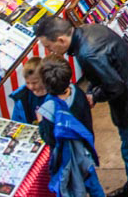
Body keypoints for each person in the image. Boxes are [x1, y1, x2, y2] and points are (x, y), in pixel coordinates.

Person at [35, 17, 128, 197]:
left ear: (61, 39)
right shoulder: (88, 31)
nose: (50, 51)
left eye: (49, 46)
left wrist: (94, 96)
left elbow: (115, 86)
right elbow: (102, 73)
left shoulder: (88, 53)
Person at [36, 57, 103, 197]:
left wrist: (40, 121)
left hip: (66, 159)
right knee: (93, 184)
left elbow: (49, 139)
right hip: (85, 151)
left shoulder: (48, 109)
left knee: (71, 188)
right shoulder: (77, 91)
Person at [10, 57, 47, 125]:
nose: (31, 87)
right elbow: (16, 121)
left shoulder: (54, 94)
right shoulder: (21, 97)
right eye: (27, 83)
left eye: (34, 83)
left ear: (44, 78)